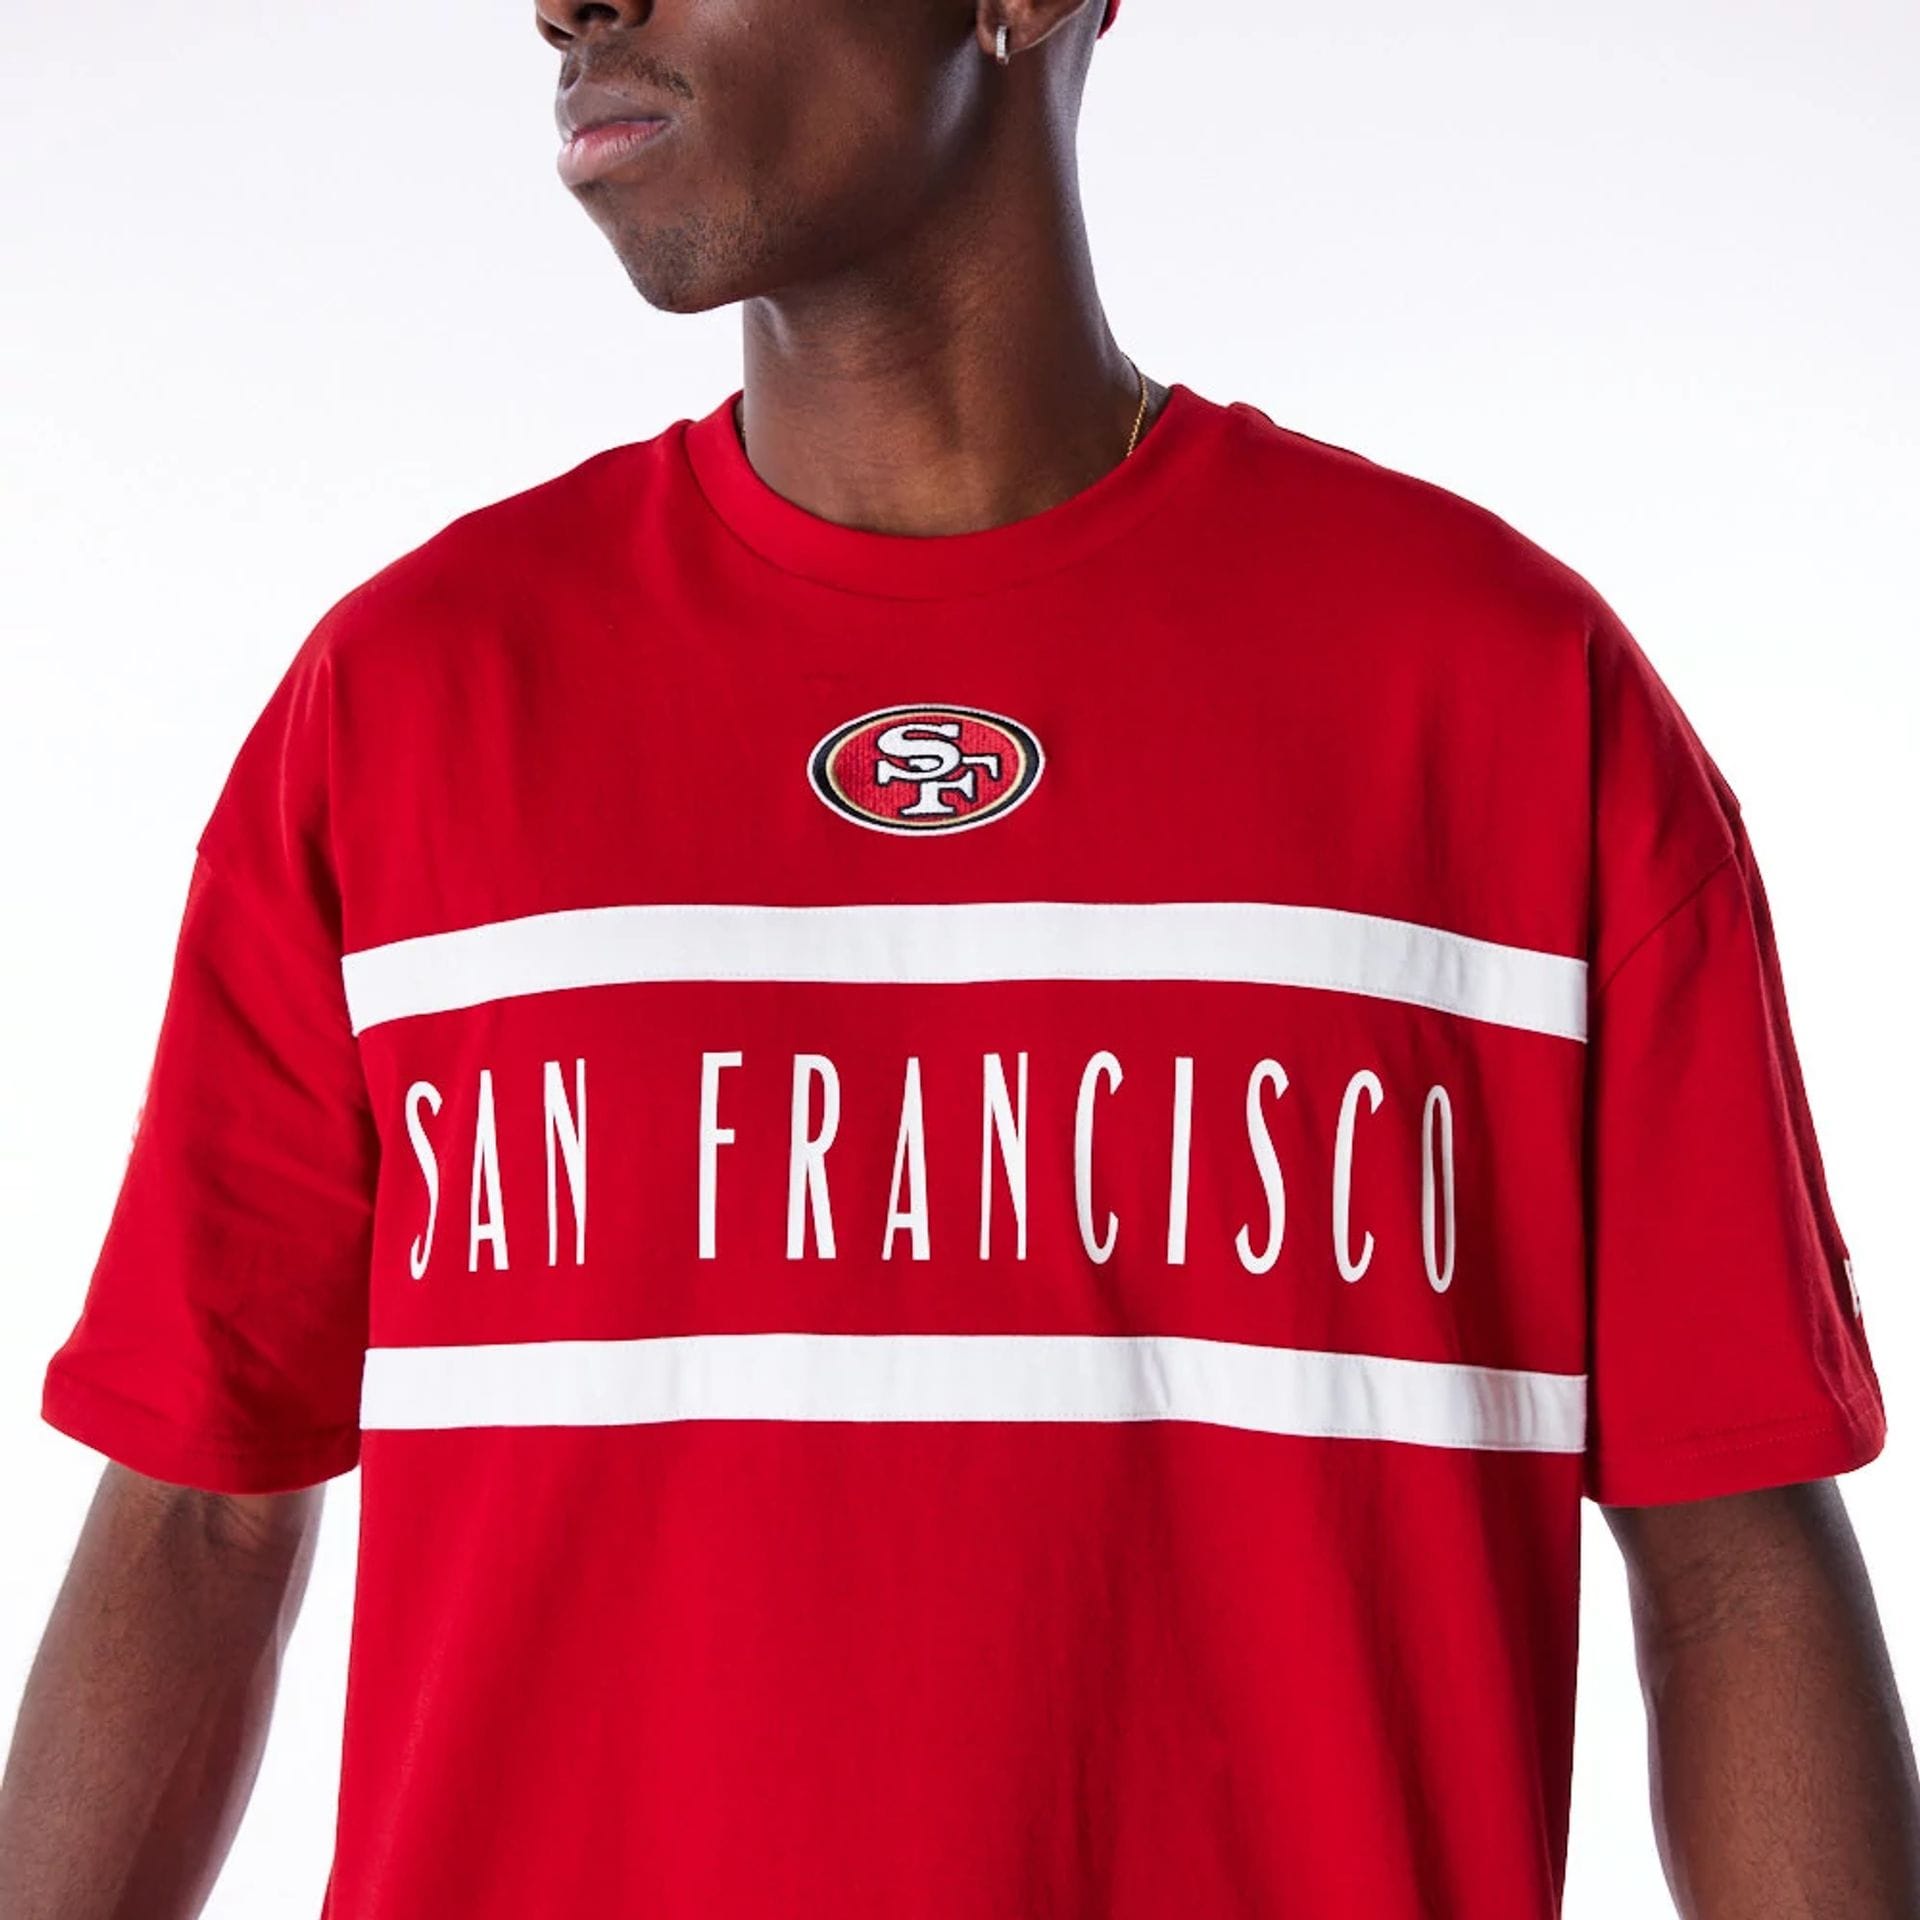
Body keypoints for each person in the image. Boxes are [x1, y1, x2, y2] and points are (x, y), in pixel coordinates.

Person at [1, 0, 1914, 1914]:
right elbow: (197, 1526)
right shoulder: (407, 707)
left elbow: (1732, 1564)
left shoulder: (1502, 700)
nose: (568, 6)